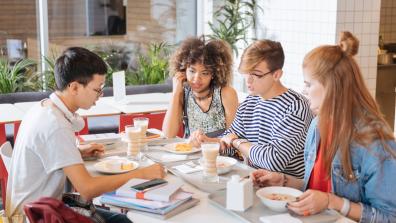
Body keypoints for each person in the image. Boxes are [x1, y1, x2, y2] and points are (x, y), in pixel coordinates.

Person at [6, 47, 165, 222]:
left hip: (33, 209)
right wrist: (142, 174)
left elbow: (47, 152)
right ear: (74, 87)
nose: (100, 95)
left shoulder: (44, 107)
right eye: (97, 89)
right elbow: (87, 189)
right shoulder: (55, 125)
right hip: (37, 216)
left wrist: (76, 152)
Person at [251, 32, 396, 222]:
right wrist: (284, 181)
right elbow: (318, 189)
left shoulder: (373, 139)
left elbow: (389, 217)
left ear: (331, 87)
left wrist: (332, 202)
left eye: (308, 84)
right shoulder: (317, 124)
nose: (304, 91)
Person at [190, 39, 313, 179]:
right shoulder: (251, 101)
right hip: (253, 181)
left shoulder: (295, 107)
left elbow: (273, 161)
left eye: (256, 74)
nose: (248, 80)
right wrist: (206, 142)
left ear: (277, 75)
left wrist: (237, 142)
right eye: (247, 73)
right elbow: (228, 141)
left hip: (283, 191)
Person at [162, 37, 238, 138]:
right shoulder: (184, 94)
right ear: (184, 70)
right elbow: (168, 135)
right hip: (190, 152)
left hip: (219, 153)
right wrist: (176, 92)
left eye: (205, 73)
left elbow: (234, 139)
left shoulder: (226, 94)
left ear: (213, 74)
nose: (197, 79)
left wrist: (208, 143)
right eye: (192, 71)